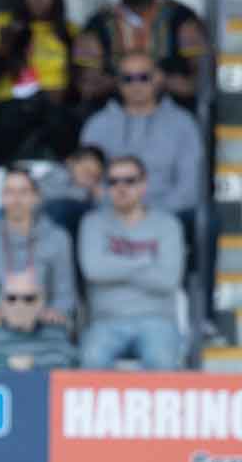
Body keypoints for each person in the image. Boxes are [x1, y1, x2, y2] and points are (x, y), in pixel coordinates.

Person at [80, 50, 216, 327]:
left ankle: (205, 315)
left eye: (144, 77)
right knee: (64, 213)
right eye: (128, 78)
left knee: (207, 221)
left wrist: (146, 213)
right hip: (108, 212)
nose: (137, 84)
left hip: (168, 212)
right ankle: (69, 311)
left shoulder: (182, 124)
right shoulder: (98, 125)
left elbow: (190, 187)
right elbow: (87, 178)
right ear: (118, 84)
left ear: (158, 79)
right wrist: (118, 206)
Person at [79, 156, 184, 369]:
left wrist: (115, 267)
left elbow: (168, 279)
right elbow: (94, 269)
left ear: (143, 184)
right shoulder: (92, 222)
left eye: (129, 180)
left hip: (158, 320)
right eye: (113, 181)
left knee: (162, 361)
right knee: (91, 359)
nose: (121, 187)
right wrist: (144, 263)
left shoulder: (167, 224)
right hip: (104, 321)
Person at [73, 0, 207, 112]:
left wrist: (162, 81)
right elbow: (87, 87)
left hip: (172, 114)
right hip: (113, 116)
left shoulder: (180, 17)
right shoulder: (98, 22)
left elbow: (202, 80)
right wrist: (128, 81)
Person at [0, 0, 78, 164]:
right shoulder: (2, 24)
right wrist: (6, 46)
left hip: (56, 106)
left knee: (63, 118)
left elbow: (77, 82)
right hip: (11, 104)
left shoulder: (69, 31)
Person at [0, 166, 76, 326]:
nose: (16, 199)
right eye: (9, 192)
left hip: (46, 324)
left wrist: (51, 313)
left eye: (23, 192)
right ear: (1, 197)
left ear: (37, 197)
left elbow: (65, 293)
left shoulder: (57, 237)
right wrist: (0, 314)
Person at [0, 269, 77, 370]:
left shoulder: (57, 337)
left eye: (29, 298)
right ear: (1, 303)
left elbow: (75, 371)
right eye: (11, 298)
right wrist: (6, 364)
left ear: (42, 303)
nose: (19, 305)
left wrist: (33, 365)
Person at [37, 145, 106, 239]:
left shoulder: (96, 191)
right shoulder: (58, 175)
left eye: (94, 176)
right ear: (70, 162)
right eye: (86, 171)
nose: (88, 178)